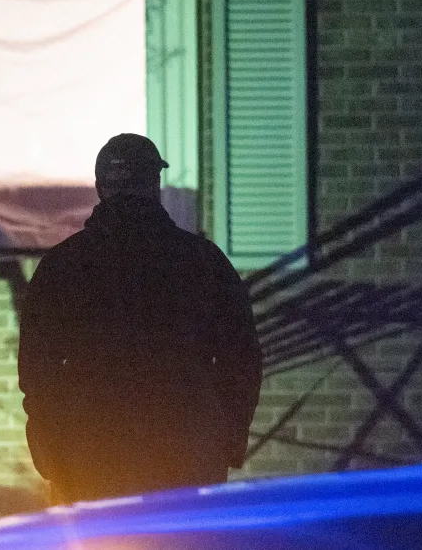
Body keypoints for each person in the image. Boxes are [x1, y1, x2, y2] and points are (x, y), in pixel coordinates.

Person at [17, 133, 262, 504]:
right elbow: (241, 360)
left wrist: (49, 451)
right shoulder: (202, 261)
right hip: (185, 451)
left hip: (87, 452)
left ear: (101, 187)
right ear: (154, 185)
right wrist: (226, 440)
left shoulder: (62, 266)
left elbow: (37, 371)